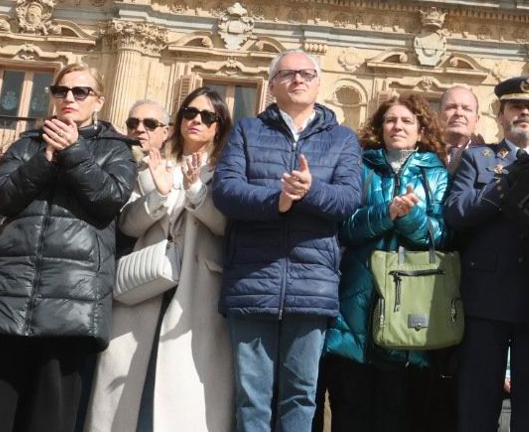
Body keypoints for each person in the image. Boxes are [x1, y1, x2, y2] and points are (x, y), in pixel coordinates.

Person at [0, 63, 133, 432]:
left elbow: (110, 198)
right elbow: (1, 196)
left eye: (80, 92)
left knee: (49, 421)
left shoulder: (116, 149)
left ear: (99, 100)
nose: (69, 98)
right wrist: (44, 160)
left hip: (69, 302)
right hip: (8, 296)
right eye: (61, 91)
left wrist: (73, 153)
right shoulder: (27, 143)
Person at [213, 50, 364, 432]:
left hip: (313, 283)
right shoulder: (247, 131)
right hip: (252, 277)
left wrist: (310, 191)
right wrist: (275, 201)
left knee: (301, 393)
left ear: (318, 83)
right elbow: (226, 192)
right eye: (288, 74)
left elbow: (349, 199)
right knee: (252, 394)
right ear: (272, 84)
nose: (298, 80)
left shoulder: (343, 139)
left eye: (306, 74)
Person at [86, 88, 235, 432]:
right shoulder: (154, 164)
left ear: (218, 127)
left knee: (183, 390)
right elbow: (127, 223)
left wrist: (196, 189)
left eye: (207, 116)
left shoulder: (226, 171)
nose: (196, 120)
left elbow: (225, 226)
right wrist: (160, 195)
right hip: (143, 284)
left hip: (199, 289)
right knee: (128, 382)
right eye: (189, 113)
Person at [320, 91, 451, 432]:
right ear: (380, 128)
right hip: (357, 304)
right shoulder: (361, 165)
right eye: (390, 120)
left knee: (398, 412)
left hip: (408, 305)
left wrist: (408, 218)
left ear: (421, 131)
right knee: (351, 408)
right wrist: (386, 213)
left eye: (407, 121)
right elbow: (345, 228)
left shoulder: (435, 173)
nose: (398, 126)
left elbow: (439, 235)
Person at [444, 76, 529, 432]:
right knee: (477, 403)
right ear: (501, 114)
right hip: (486, 298)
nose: (525, 112)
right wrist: (503, 185)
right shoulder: (479, 159)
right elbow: (457, 213)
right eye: (516, 106)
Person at [124, 99, 172, 165]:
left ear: (165, 133)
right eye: (133, 123)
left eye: (150, 124)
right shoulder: (109, 162)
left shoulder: (176, 171)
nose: (139, 129)